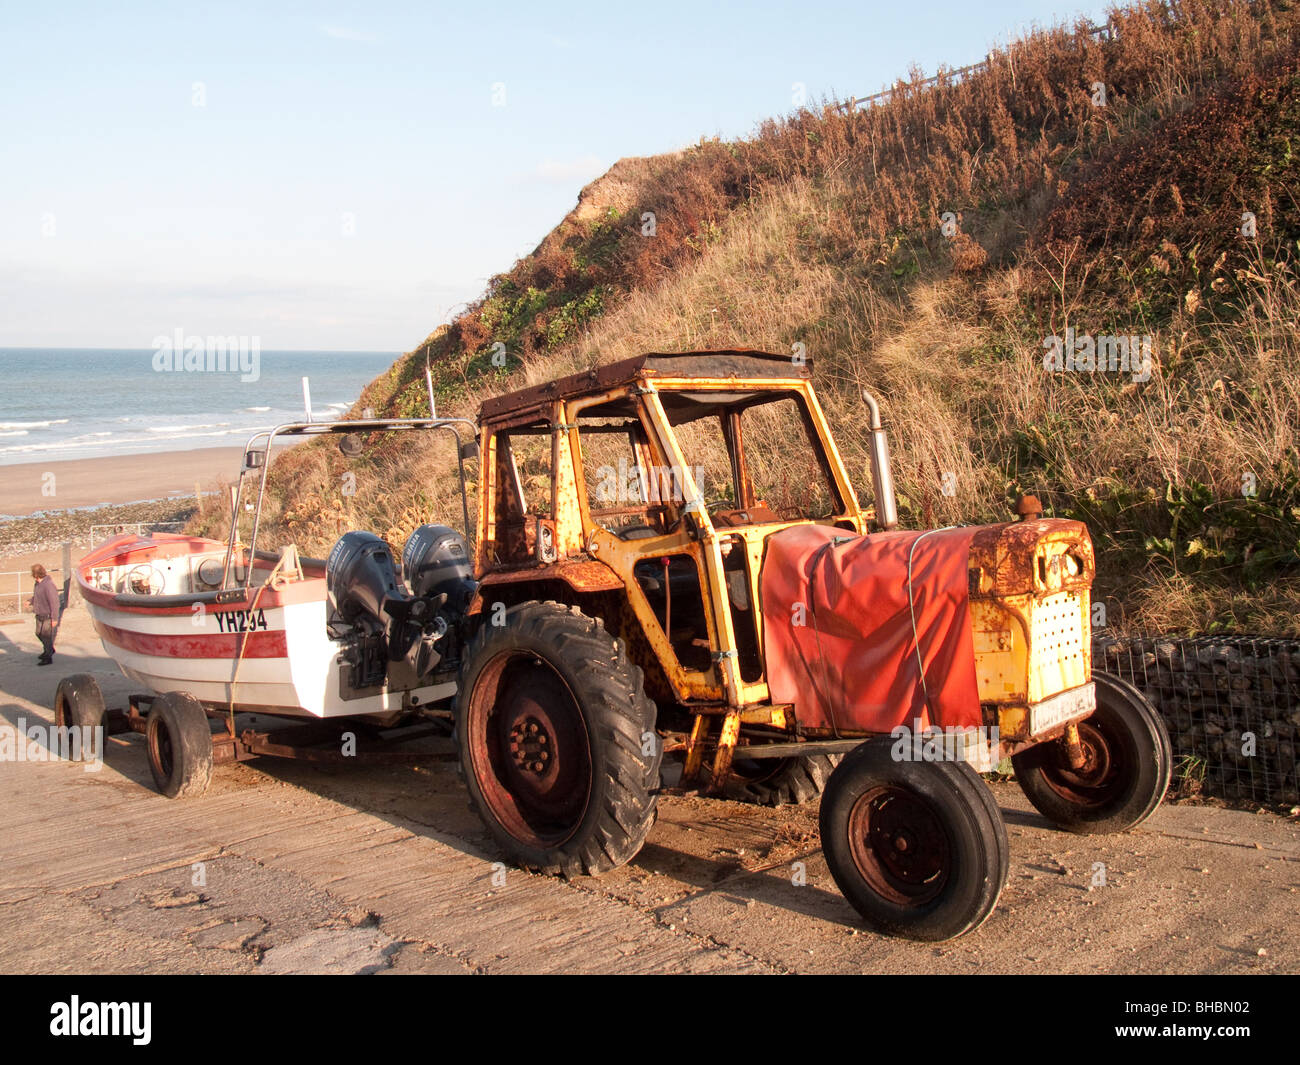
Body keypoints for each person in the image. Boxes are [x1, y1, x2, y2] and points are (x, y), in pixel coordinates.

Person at [26, 564, 60, 665]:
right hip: (39, 613)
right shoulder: (37, 584)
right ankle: (49, 650)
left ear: (36, 574)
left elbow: (54, 603)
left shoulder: (48, 585)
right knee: (38, 633)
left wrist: (54, 618)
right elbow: (37, 596)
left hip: (47, 615)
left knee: (46, 636)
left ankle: (48, 657)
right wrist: (30, 601)